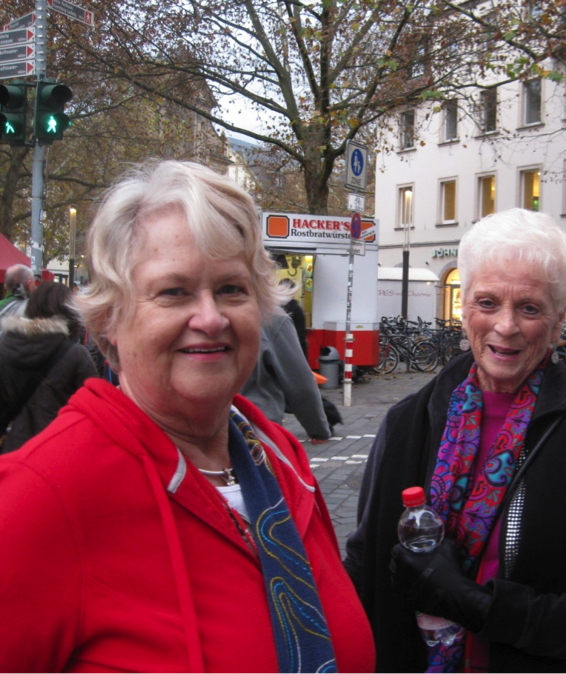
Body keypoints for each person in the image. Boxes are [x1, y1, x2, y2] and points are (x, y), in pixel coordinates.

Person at [0, 161, 374, 673]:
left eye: (231, 289)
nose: (211, 318)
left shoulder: (280, 459)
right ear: (110, 321)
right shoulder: (40, 495)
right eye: (173, 292)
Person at [345, 208, 566, 673]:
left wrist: (477, 604)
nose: (505, 325)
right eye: (487, 302)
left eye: (529, 308)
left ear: (557, 320)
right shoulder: (408, 422)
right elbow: (363, 569)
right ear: (464, 308)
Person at [0, 282, 98, 453]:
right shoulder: (76, 355)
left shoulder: (4, 346)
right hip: (59, 451)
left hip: (13, 450)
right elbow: (95, 410)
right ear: (70, 313)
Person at [241, 306, 332, 443]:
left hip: (209, 429)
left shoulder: (206, 318)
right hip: (258, 429)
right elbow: (300, 383)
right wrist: (318, 429)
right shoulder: (270, 317)